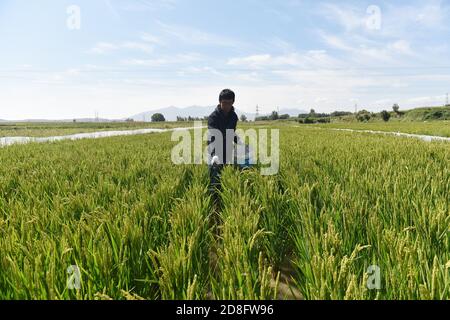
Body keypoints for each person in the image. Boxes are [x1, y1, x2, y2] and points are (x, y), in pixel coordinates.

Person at [207, 89, 239, 203]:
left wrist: (239, 143)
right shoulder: (213, 117)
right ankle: (214, 198)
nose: (227, 106)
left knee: (226, 171)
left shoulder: (234, 116)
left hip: (227, 147)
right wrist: (215, 154)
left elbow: (232, 132)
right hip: (214, 147)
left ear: (233, 102)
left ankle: (224, 195)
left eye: (229, 103)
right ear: (219, 102)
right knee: (214, 172)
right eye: (224, 103)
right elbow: (215, 135)